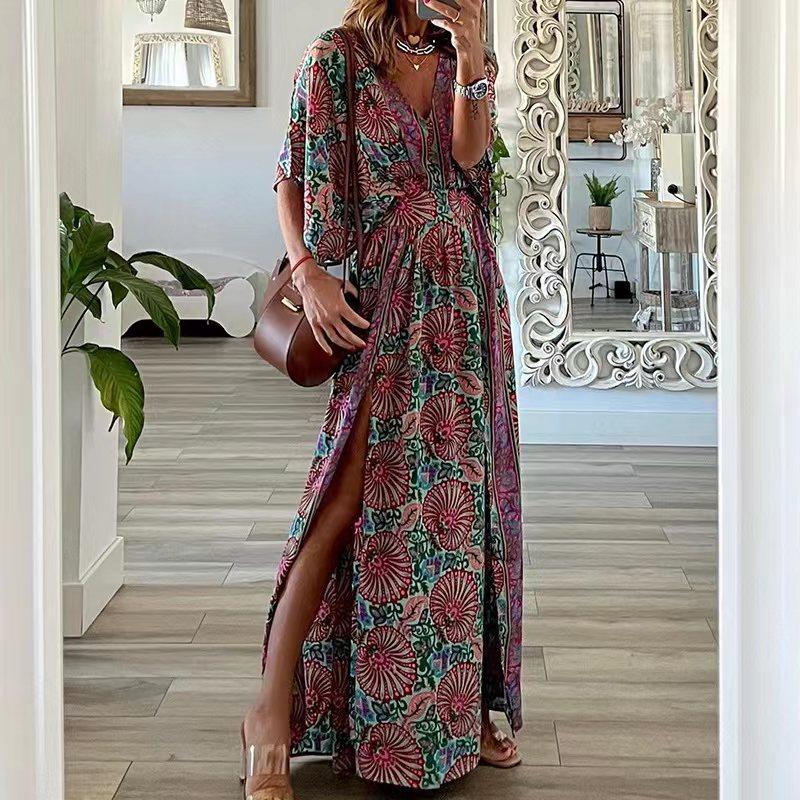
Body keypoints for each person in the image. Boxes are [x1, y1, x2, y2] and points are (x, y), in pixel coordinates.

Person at [242, 1, 523, 796]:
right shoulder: (336, 56)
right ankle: (267, 712)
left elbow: (467, 159)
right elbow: (290, 173)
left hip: (466, 299)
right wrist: (307, 271)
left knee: (461, 506)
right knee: (346, 496)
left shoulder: (460, 52)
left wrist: (473, 58)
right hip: (389, 295)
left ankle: (460, 710)